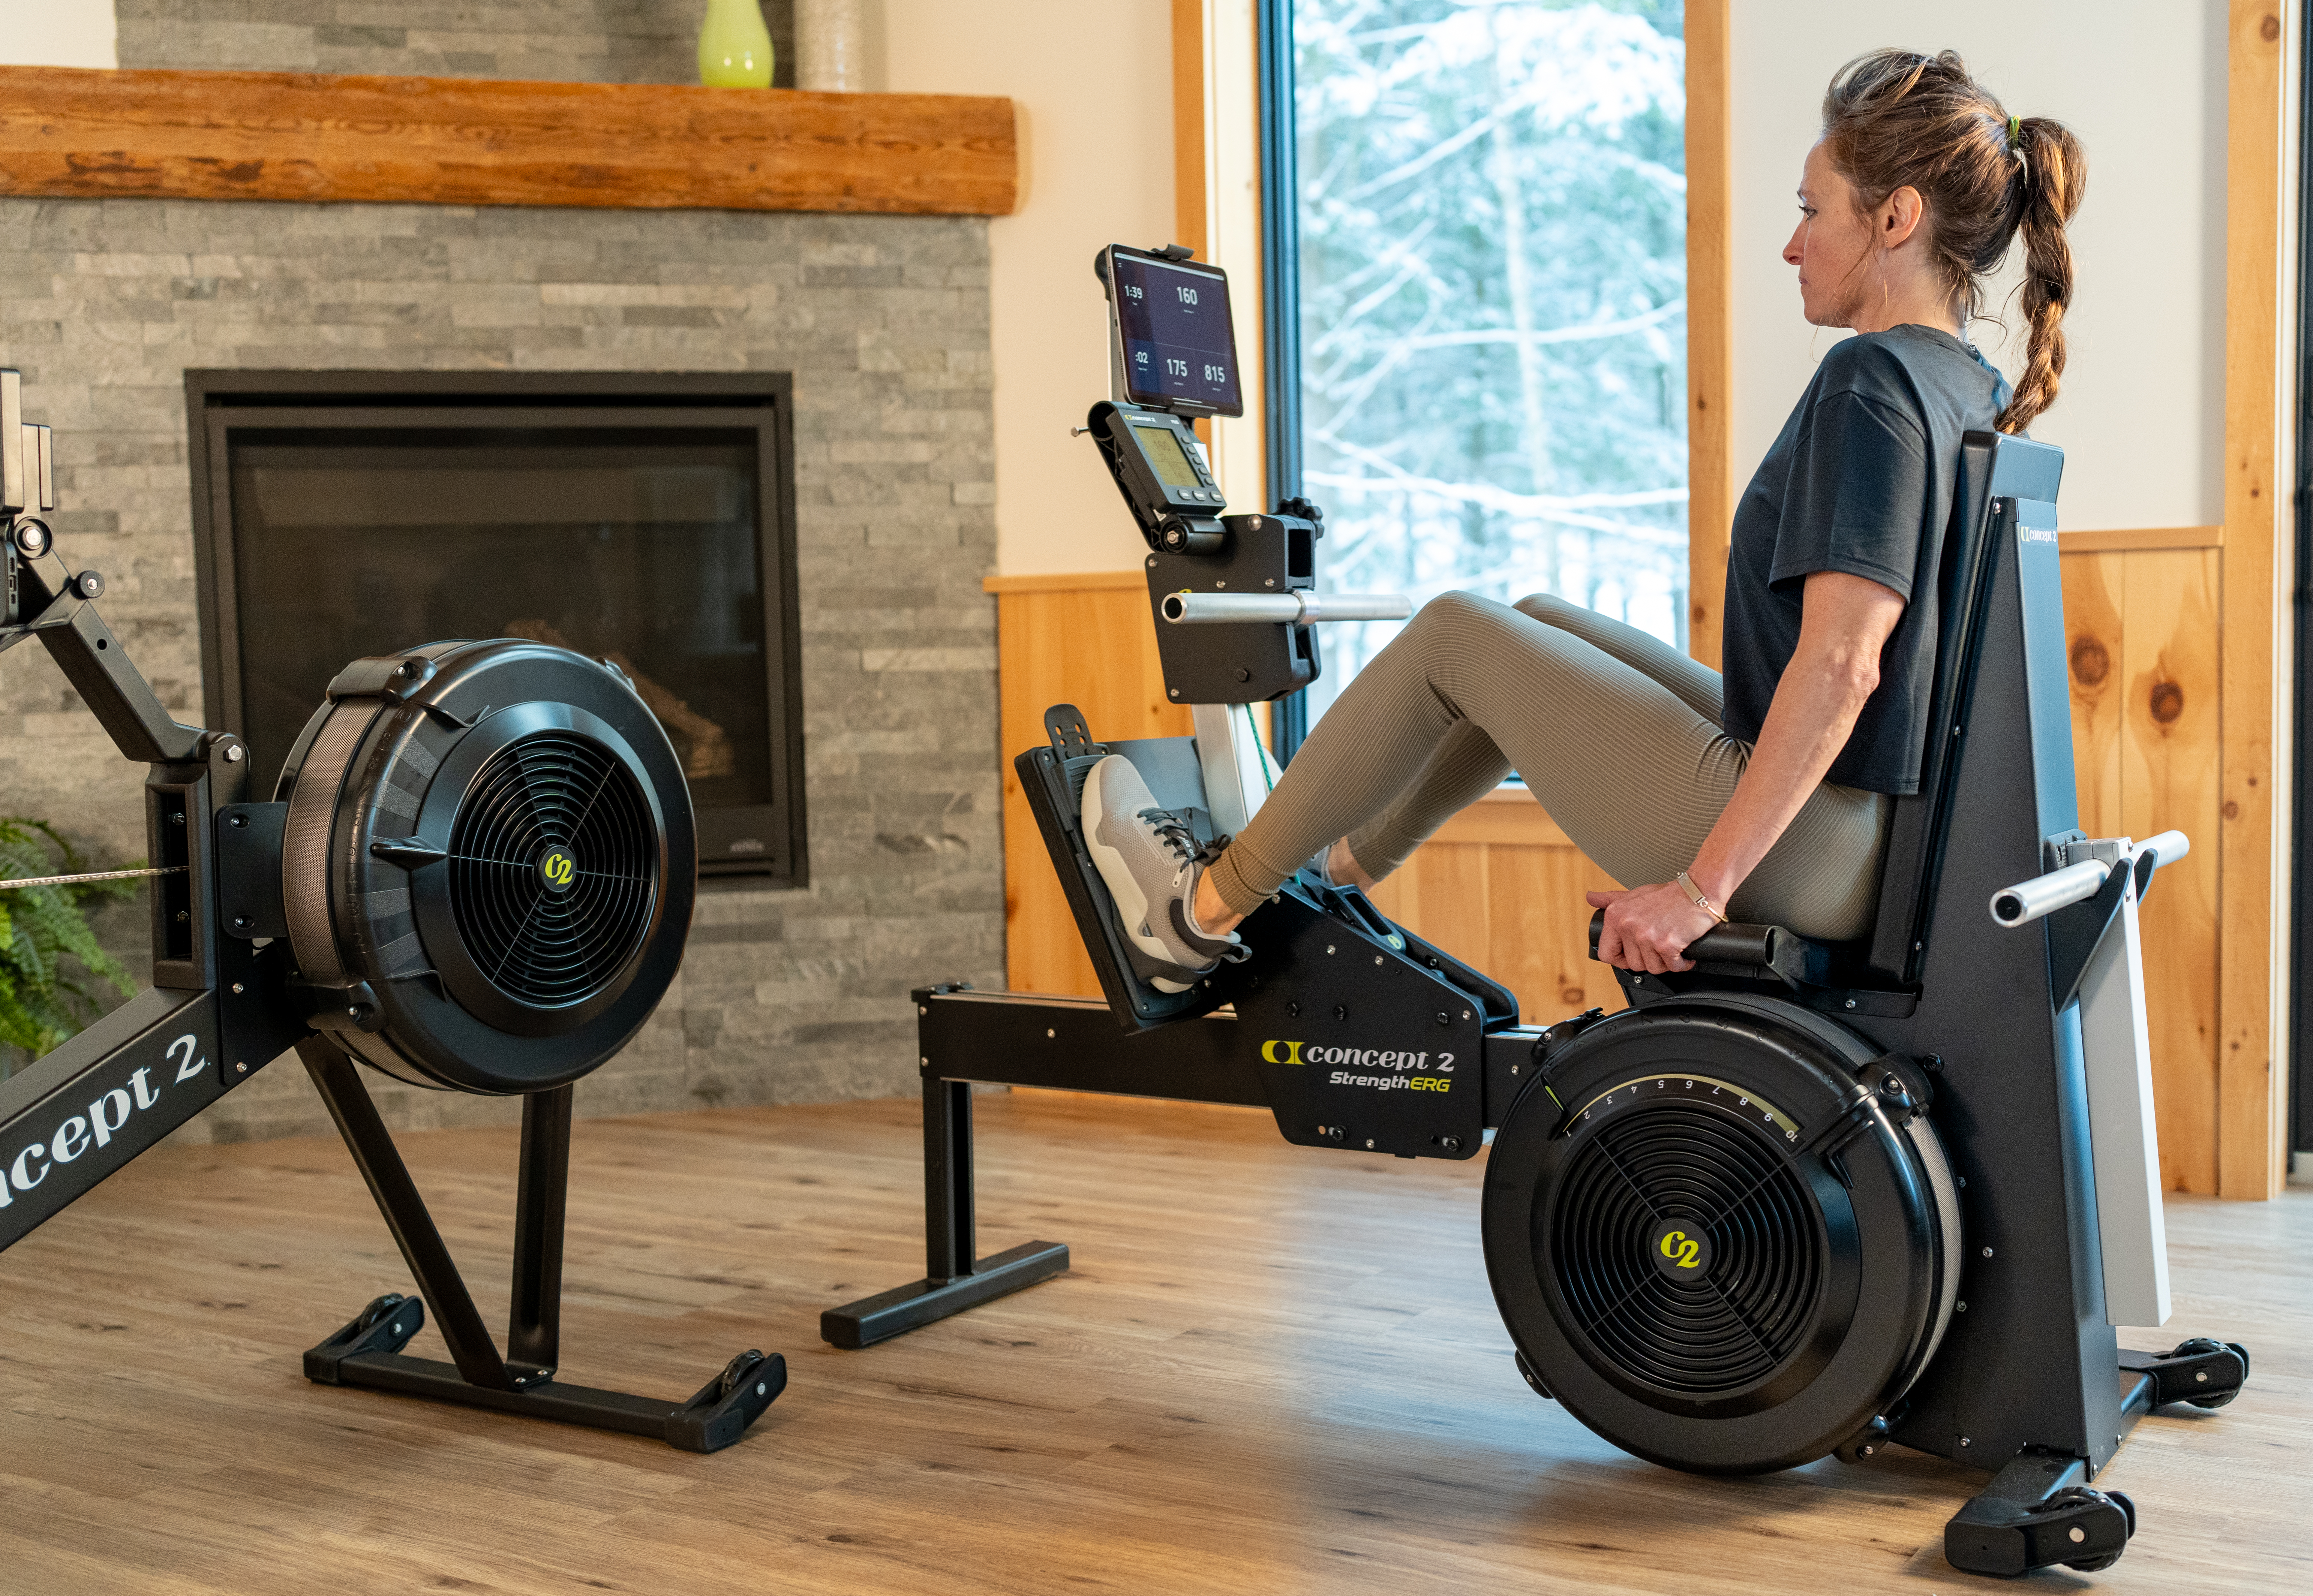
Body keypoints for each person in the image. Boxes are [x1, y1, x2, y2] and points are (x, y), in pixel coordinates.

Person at [1084, 48, 2087, 987]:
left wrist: (1701, 891)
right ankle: (1339, 867)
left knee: (1451, 633)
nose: (1791, 243)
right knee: (1531, 616)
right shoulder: (1960, 383)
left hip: (1819, 851)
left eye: (1809, 209)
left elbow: (1841, 664)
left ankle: (1192, 916)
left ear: (1895, 218)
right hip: (1859, 832)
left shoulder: (1870, 381)